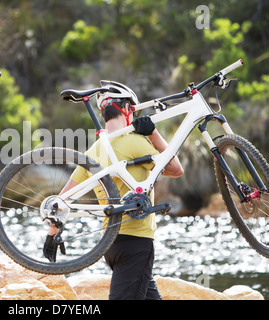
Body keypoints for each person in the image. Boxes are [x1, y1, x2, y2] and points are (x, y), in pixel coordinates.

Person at [43, 81, 183, 300]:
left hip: (110, 245)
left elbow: (65, 196)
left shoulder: (93, 150)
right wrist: (153, 134)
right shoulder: (135, 142)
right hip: (136, 243)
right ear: (127, 109)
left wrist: (52, 232)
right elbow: (176, 169)